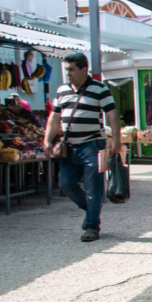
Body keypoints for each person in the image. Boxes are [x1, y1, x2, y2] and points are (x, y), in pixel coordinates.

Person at [44, 52, 121, 243]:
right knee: (65, 184)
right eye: (66, 69)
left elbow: (113, 116)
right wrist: (47, 140)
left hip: (92, 144)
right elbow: (54, 118)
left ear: (84, 70)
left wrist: (117, 141)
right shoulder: (62, 90)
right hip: (69, 146)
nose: (68, 73)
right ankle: (90, 209)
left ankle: (92, 227)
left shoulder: (99, 89)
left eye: (71, 69)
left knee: (93, 187)